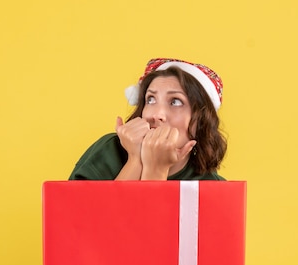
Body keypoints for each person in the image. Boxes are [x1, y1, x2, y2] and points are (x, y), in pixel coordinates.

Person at [68, 58, 227, 180]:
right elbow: (78, 221)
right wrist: (135, 159)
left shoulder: (212, 186)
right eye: (150, 99)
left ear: (201, 119)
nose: (156, 115)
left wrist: (155, 169)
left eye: (175, 102)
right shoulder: (109, 151)